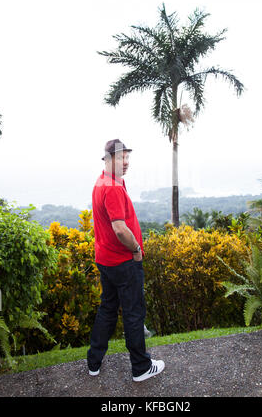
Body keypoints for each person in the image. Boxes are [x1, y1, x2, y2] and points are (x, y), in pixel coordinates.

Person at [87, 139, 165, 382]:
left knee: (108, 310)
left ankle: (93, 363)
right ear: (108, 159)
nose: (126, 162)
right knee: (133, 314)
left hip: (106, 260)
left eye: (127, 157)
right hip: (123, 261)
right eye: (121, 158)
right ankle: (141, 368)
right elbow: (120, 229)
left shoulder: (102, 182)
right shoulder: (112, 187)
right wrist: (136, 249)